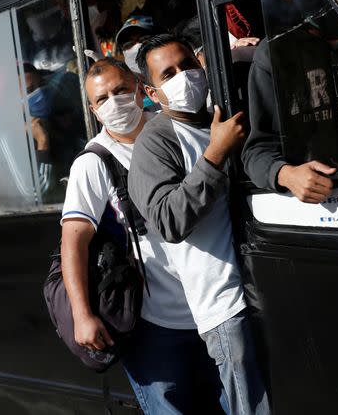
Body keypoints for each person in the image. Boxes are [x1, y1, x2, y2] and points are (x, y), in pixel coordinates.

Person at [60, 58, 225, 414]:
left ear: (139, 87)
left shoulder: (173, 131)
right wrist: (81, 314)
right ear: (93, 110)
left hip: (213, 310)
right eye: (102, 99)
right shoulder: (93, 163)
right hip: (155, 328)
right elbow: (73, 241)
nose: (114, 102)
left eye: (120, 90)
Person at [130, 34, 270, 415]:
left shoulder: (220, 117)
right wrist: (214, 155)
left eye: (188, 66)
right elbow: (167, 219)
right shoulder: (155, 142)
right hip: (225, 308)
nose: (184, 77)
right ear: (152, 92)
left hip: (262, 289)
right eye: (169, 74)